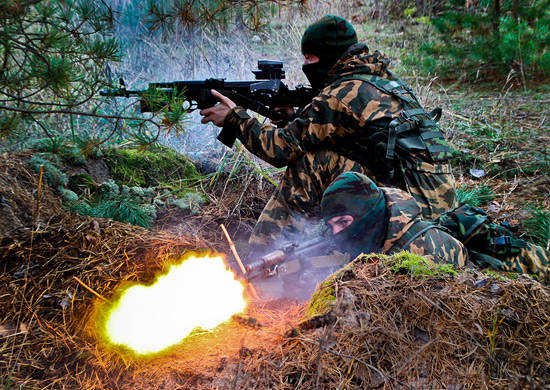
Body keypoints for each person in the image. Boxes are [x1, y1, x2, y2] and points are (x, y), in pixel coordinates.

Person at [200, 15, 456, 251]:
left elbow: (279, 150)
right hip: (434, 203)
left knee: (310, 163)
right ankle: (312, 246)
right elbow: (359, 140)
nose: (304, 64)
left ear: (330, 56)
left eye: (309, 58)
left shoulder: (343, 94)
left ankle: (261, 255)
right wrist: (293, 119)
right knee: (319, 153)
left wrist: (235, 118)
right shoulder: (383, 81)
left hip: (410, 209)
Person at [321, 171, 467, 266]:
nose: (337, 233)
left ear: (368, 212)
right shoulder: (377, 230)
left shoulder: (426, 253)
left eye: (343, 222)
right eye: (332, 226)